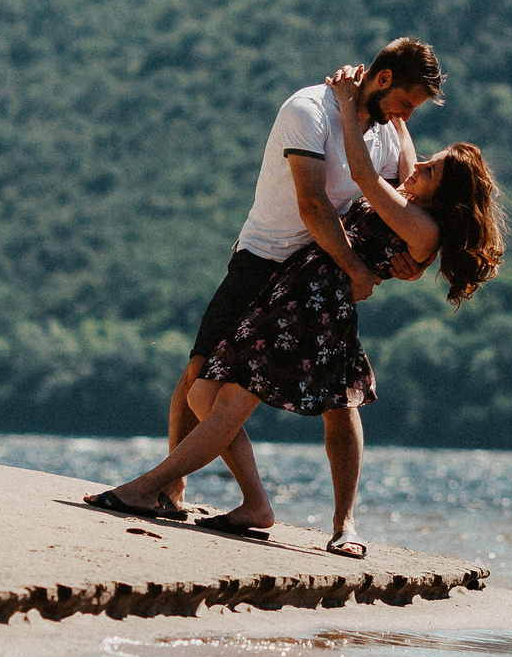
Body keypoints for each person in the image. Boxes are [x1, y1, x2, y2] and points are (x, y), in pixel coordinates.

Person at [88, 63, 507, 557]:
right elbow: (402, 155)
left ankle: (148, 489)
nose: (417, 165)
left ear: (443, 196)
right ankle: (252, 504)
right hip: (294, 289)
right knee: (206, 391)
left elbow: (363, 176)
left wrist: (352, 106)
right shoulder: (409, 200)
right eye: (407, 109)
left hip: (312, 305)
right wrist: (379, 98)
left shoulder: (416, 221)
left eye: (432, 170)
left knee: (241, 402)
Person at [148, 39, 443, 532]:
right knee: (198, 375)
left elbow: (409, 197)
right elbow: (312, 203)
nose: (406, 117)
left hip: (317, 280)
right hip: (265, 261)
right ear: (383, 78)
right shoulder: (309, 109)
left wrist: (410, 259)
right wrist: (356, 268)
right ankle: (174, 491)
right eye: (406, 104)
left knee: (338, 399)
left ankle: (336, 521)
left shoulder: (389, 134)